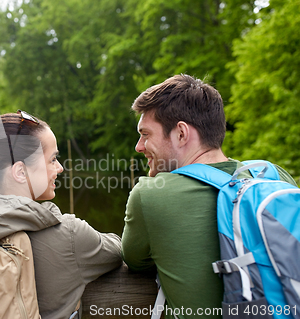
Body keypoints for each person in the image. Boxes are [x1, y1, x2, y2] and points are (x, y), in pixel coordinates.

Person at [121, 74, 297, 318]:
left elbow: (135, 261)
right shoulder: (272, 175)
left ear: (181, 133)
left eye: (146, 134)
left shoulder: (150, 194)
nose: (139, 146)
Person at [0, 110, 122, 319]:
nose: (59, 168)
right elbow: (119, 250)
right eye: (52, 159)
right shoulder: (68, 234)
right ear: (20, 172)